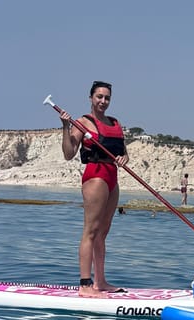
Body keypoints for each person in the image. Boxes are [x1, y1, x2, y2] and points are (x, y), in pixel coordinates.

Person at [59, 80, 129, 298]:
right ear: (91, 98)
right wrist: (65, 127)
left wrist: (124, 158)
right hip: (95, 177)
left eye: (107, 97)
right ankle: (85, 284)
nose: (103, 101)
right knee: (90, 231)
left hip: (112, 178)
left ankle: (101, 281)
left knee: (103, 233)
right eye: (99, 97)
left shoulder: (116, 123)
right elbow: (69, 153)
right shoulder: (83, 123)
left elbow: (123, 152)